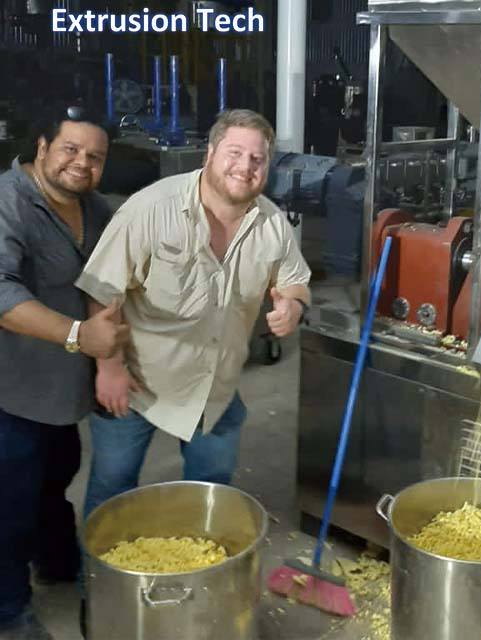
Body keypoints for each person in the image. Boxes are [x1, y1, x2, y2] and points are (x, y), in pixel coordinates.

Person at [77, 108, 311, 519]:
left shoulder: (272, 225)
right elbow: (103, 291)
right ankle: (100, 564)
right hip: (138, 385)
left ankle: (198, 556)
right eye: (234, 153)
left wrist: (293, 305)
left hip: (214, 391)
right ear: (210, 153)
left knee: (209, 495)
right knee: (112, 493)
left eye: (257, 159)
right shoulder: (151, 209)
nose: (245, 167)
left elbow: (296, 281)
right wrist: (109, 368)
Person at [0, 106, 129, 640]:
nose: (82, 163)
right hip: (13, 388)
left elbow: (107, 281)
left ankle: (54, 560)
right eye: (71, 149)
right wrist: (79, 336)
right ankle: (9, 610)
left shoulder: (94, 207)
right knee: (11, 501)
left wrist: (110, 360)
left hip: (62, 390)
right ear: (42, 148)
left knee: (56, 478)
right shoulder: (9, 201)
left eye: (95, 156)